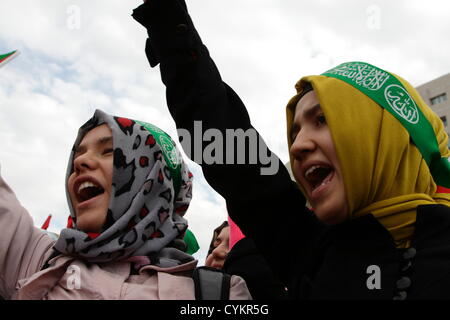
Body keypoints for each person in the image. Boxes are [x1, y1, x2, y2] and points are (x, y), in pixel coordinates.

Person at [133, 0, 450, 300]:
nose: (298, 145)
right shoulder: (309, 249)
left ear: (385, 136)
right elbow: (227, 144)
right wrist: (169, 25)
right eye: (295, 130)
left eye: (323, 120)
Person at [0, 109, 251, 300]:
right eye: (78, 153)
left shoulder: (218, 293)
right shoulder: (36, 259)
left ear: (155, 179)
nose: (81, 162)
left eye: (108, 151)